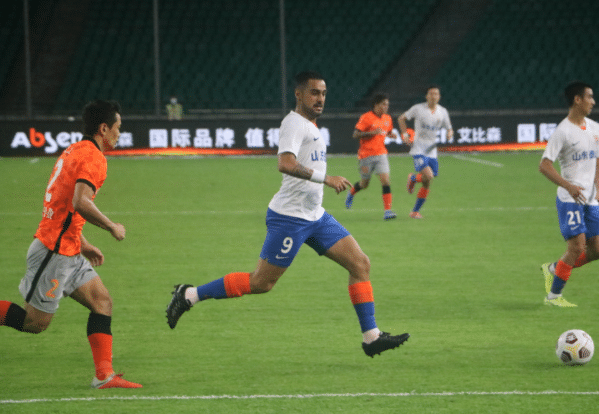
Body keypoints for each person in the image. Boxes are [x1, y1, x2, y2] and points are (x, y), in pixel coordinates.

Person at [166, 71, 409, 357]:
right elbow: (285, 163)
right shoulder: (293, 123)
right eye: (314, 93)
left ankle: (371, 337)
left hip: (315, 216)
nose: (320, 99)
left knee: (360, 264)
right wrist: (325, 178)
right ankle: (189, 295)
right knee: (261, 283)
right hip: (290, 218)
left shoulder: (310, 125)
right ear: (299, 94)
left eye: (323, 93)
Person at [0, 100, 142, 389]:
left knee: (102, 301)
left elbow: (64, 206)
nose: (120, 133)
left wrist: (83, 243)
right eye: (118, 127)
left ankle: (103, 376)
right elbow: (80, 202)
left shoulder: (75, 150)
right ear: (104, 128)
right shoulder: (94, 158)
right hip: (53, 251)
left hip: (69, 247)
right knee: (34, 323)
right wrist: (111, 226)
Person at [539, 82, 599, 307]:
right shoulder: (563, 131)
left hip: (590, 199)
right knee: (577, 247)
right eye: (589, 97)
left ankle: (554, 268)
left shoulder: (595, 128)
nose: (593, 102)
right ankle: (553, 297)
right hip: (570, 199)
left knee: (598, 250)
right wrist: (568, 186)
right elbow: (544, 165)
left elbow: (598, 163)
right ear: (577, 100)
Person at [398, 85, 453, 218]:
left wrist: (449, 133)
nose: (433, 96)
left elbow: (449, 128)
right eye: (431, 94)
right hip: (418, 148)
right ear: (426, 96)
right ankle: (413, 179)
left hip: (432, 150)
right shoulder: (418, 108)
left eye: (436, 94)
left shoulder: (442, 111)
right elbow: (401, 118)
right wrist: (405, 135)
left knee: (427, 182)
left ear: (439, 97)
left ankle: (415, 211)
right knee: (429, 176)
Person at [345, 94, 398, 220]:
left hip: (381, 154)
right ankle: (351, 192)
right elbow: (355, 134)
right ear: (376, 105)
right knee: (364, 184)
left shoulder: (387, 118)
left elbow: (387, 131)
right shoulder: (366, 117)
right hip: (366, 156)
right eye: (384, 104)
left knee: (385, 180)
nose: (386, 107)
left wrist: (391, 135)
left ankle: (387, 211)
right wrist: (371, 133)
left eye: (387, 104)